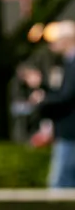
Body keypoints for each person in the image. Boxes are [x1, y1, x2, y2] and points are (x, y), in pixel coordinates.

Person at [31, 26, 75, 189]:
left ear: (67, 40)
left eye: (56, 40)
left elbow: (67, 96)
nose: (53, 44)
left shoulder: (72, 64)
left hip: (70, 131)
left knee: (60, 183)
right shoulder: (66, 63)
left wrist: (43, 100)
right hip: (67, 130)